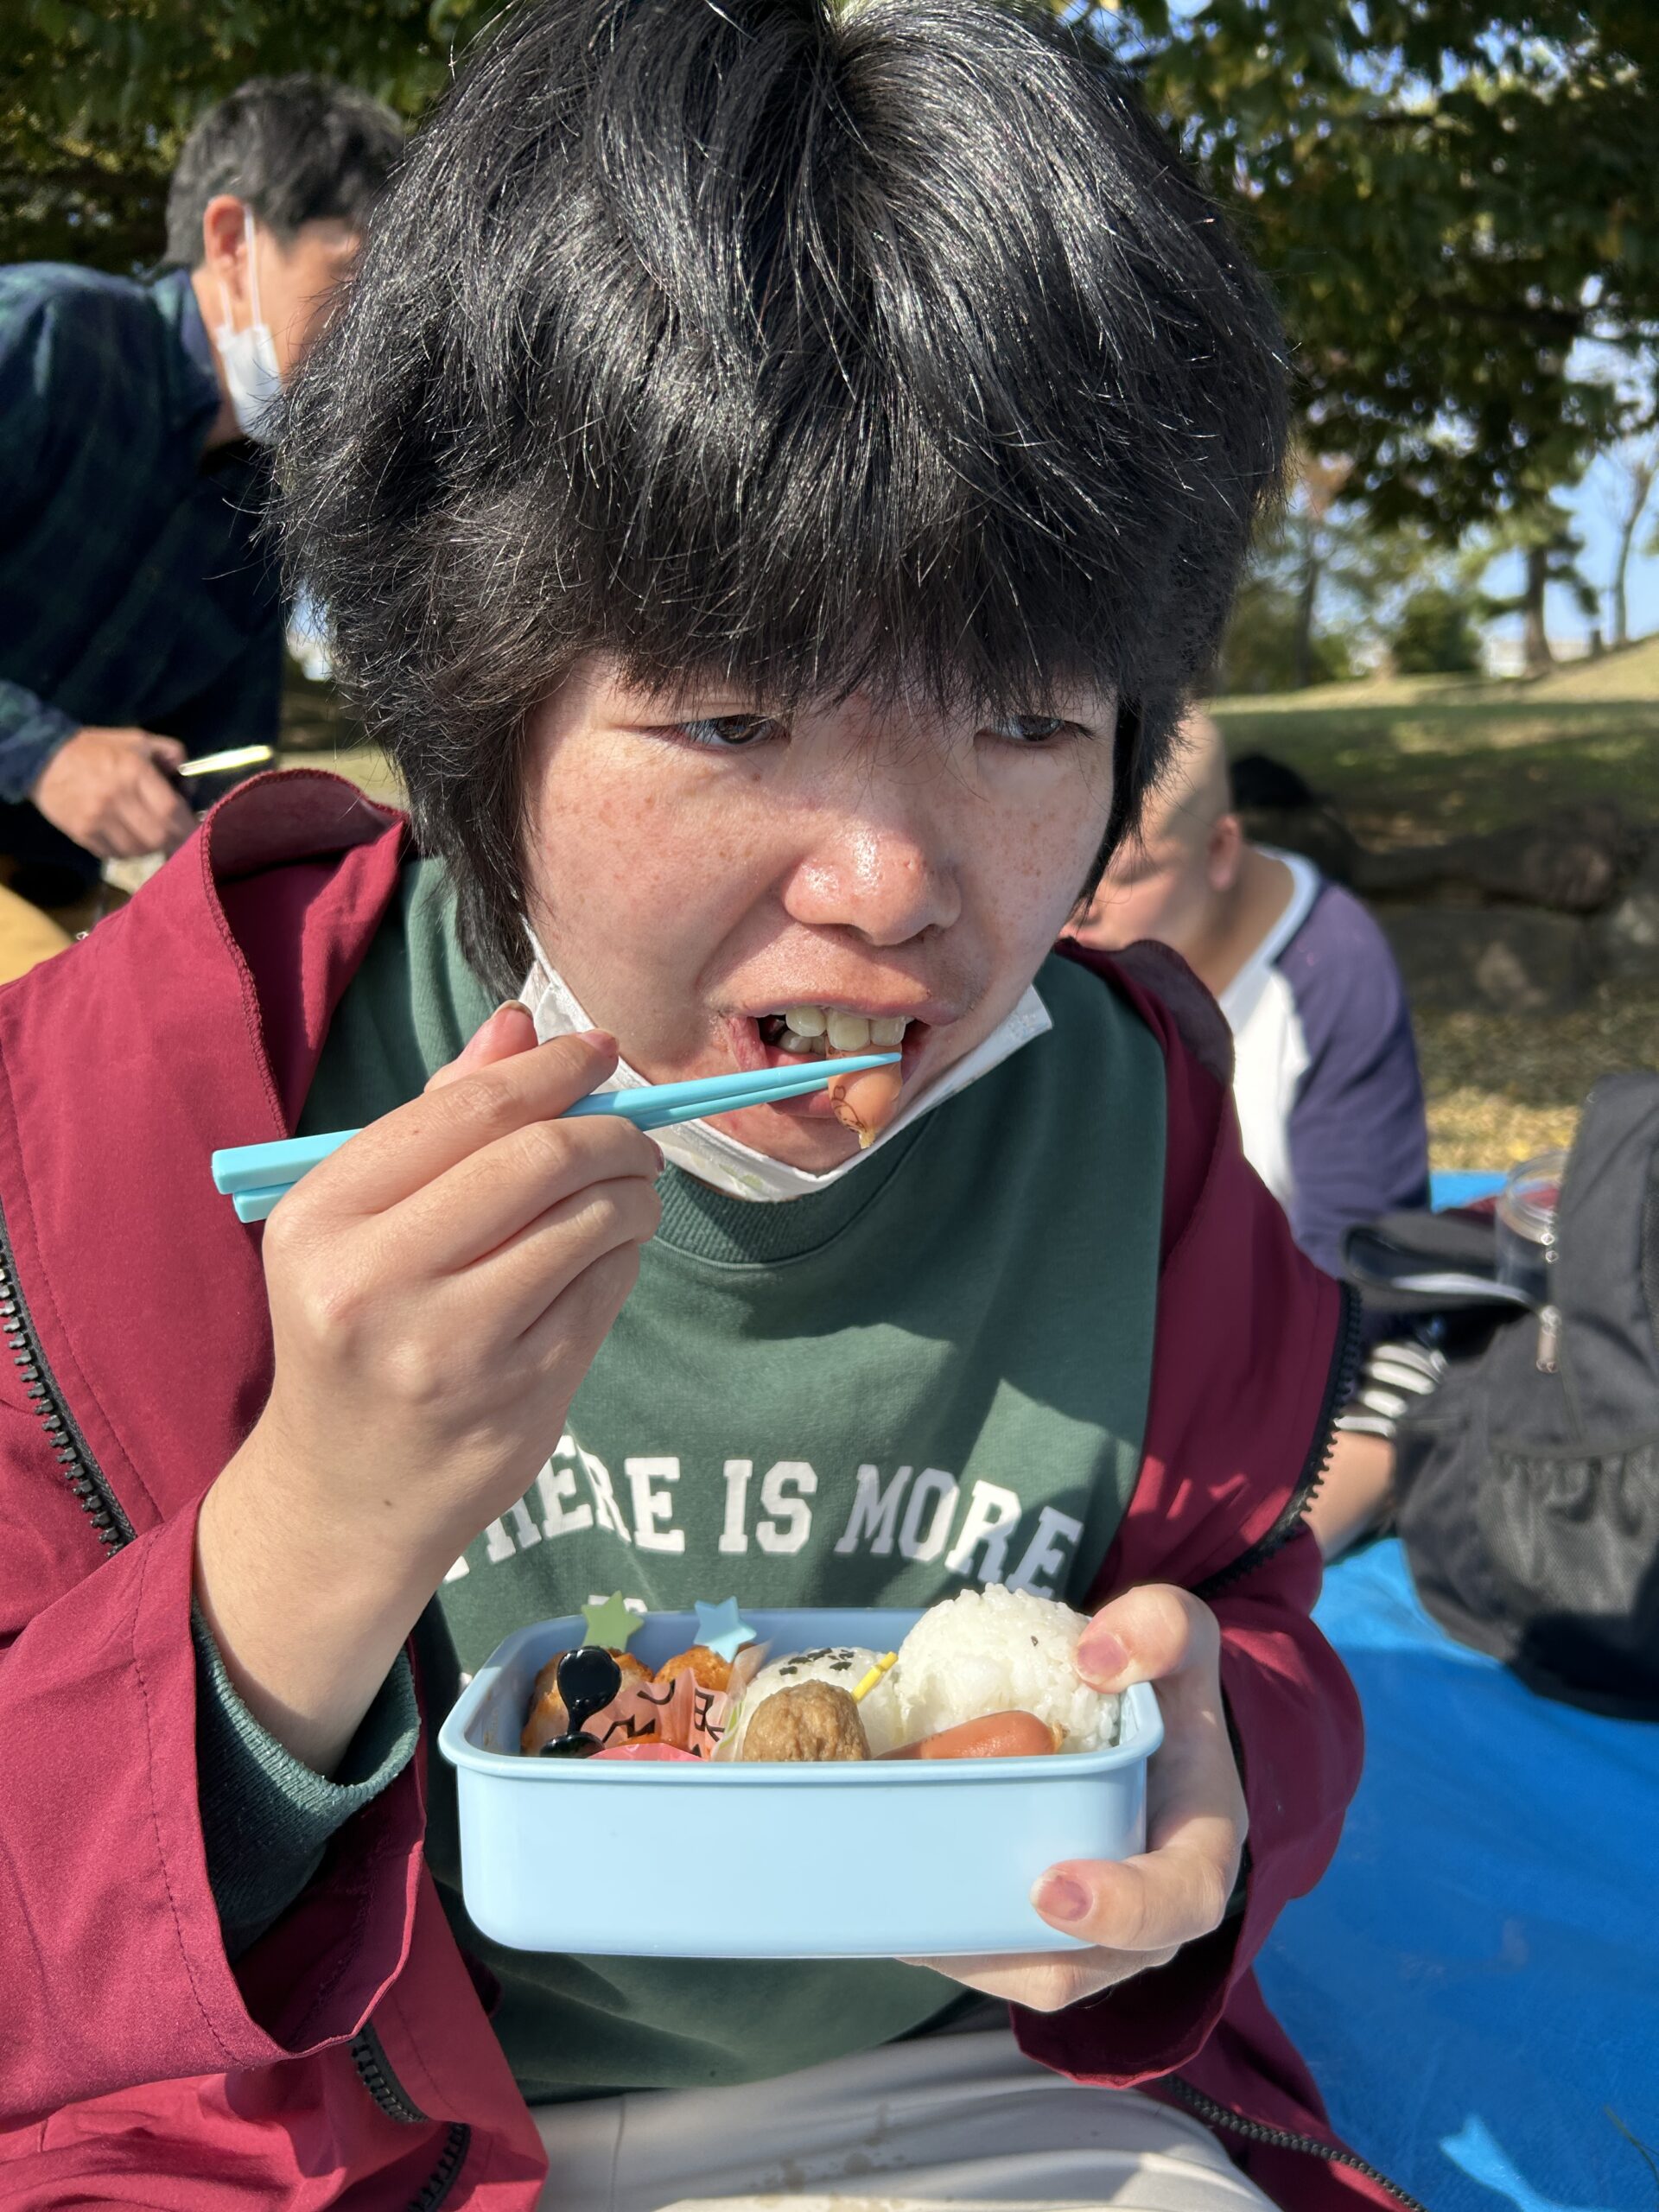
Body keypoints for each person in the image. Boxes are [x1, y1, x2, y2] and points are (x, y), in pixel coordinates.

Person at [0, 4, 1399, 2208]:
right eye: (735, 717)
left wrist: (1221, 1761)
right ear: (479, 695)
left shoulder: (1133, 1126)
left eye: (1026, 721)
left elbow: (1249, 1605)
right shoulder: (126, 1120)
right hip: (302, 2124)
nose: (893, 887)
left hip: (978, 2088)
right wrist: (309, 1534)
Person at [0, 74, 400, 902]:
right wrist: (40, 754)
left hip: (41, 898)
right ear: (232, 243)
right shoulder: (46, 334)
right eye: (355, 279)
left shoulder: (264, 522)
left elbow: (226, 783)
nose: (380, 339)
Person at [1070, 710, 1430, 1285]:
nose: (1077, 907)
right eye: (1065, 863)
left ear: (1219, 850)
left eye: (1127, 876)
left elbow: (1354, 1268)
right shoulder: (1048, 931)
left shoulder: (1335, 970)